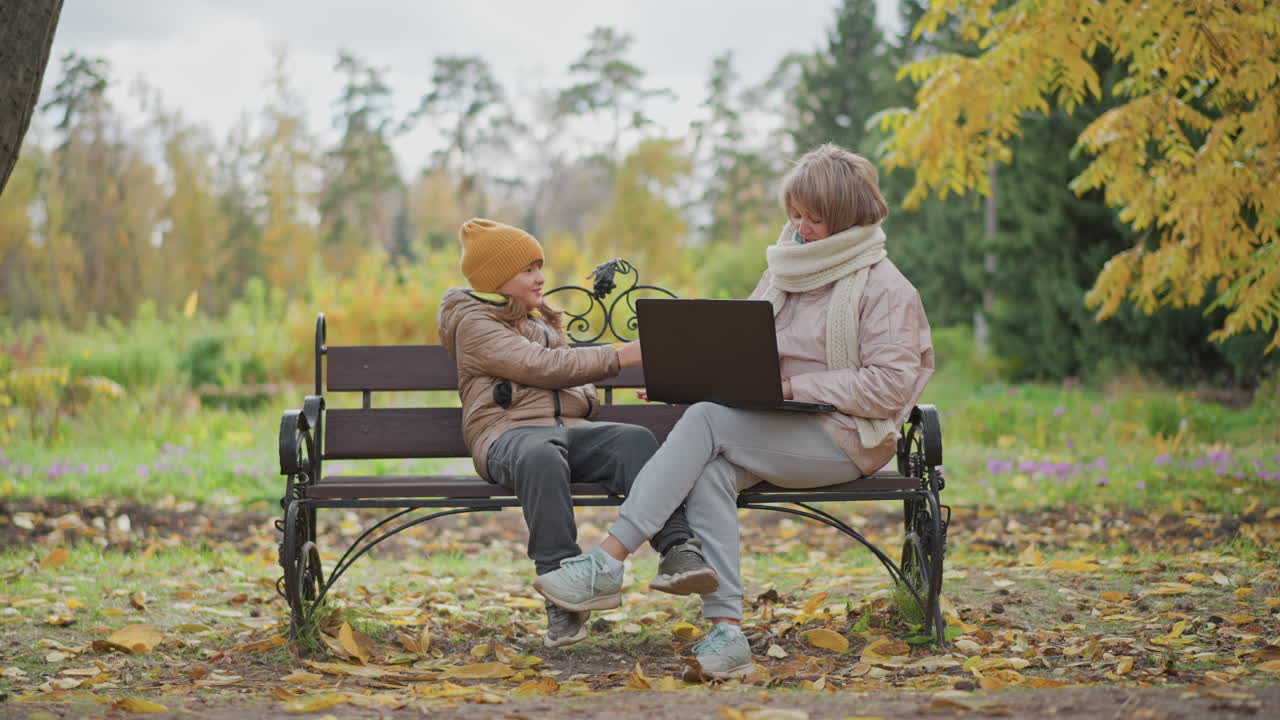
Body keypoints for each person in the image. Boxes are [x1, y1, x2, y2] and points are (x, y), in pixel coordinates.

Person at [533, 144, 935, 678]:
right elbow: (744, 347)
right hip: (778, 426)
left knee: (705, 420)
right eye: (794, 214)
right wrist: (687, 377)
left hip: (845, 436)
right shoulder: (786, 268)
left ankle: (607, 561)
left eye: (815, 219)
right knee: (711, 470)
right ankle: (727, 635)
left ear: (849, 219)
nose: (801, 227)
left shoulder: (885, 288)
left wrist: (792, 386)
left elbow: (891, 387)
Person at [436, 218, 717, 649]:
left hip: (568, 433)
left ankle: (679, 551)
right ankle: (562, 593)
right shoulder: (473, 323)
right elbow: (546, 369)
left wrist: (576, 391)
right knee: (540, 454)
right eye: (528, 269)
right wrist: (627, 354)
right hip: (506, 437)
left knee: (634, 440)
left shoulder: (541, 323)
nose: (541, 277)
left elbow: (576, 389)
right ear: (497, 278)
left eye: (539, 266)